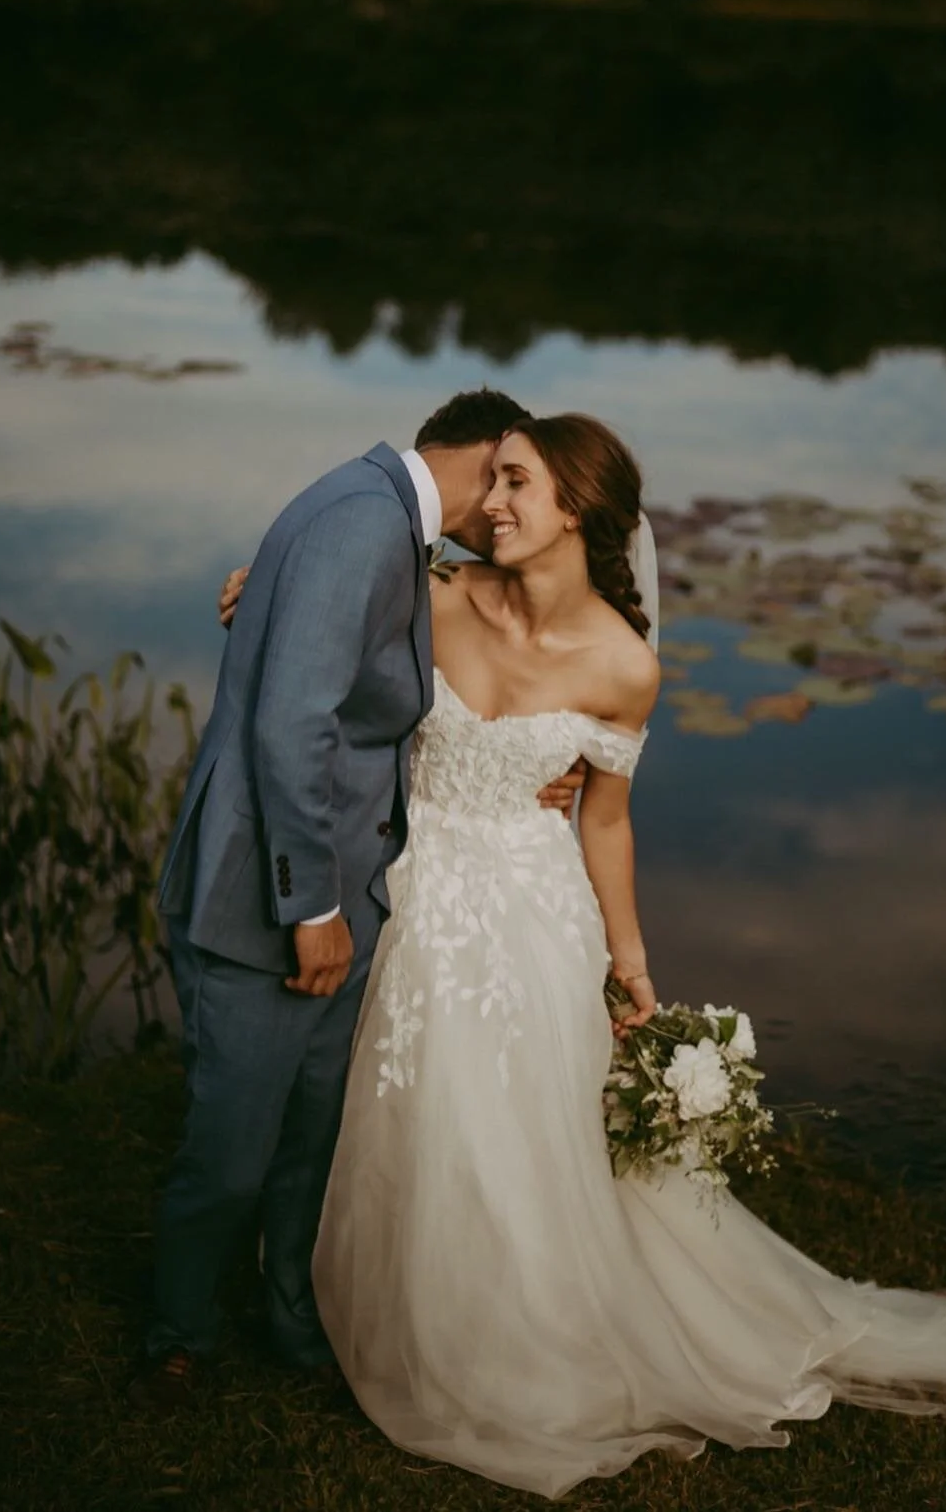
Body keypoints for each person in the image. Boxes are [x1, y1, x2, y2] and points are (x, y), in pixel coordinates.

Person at [222, 413, 946, 1499]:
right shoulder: (435, 592)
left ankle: (501, 1331)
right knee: (386, 1108)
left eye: (515, 485)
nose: (488, 501)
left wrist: (630, 958)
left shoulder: (624, 666)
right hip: (405, 889)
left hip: (527, 910)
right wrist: (259, 588)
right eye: (494, 480)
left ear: (579, 516)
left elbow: (604, 818)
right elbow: (323, 621)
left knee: (507, 1131)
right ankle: (336, 1294)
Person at [133, 389, 588, 1408]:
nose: (507, 505)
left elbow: (433, 656)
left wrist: (561, 761)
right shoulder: (361, 523)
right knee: (232, 1151)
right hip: (268, 901)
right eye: (507, 478)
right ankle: (180, 1330)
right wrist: (313, 908)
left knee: (310, 1140)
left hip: (355, 890)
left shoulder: (383, 520)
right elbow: (293, 727)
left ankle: (290, 1311)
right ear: (481, 458)